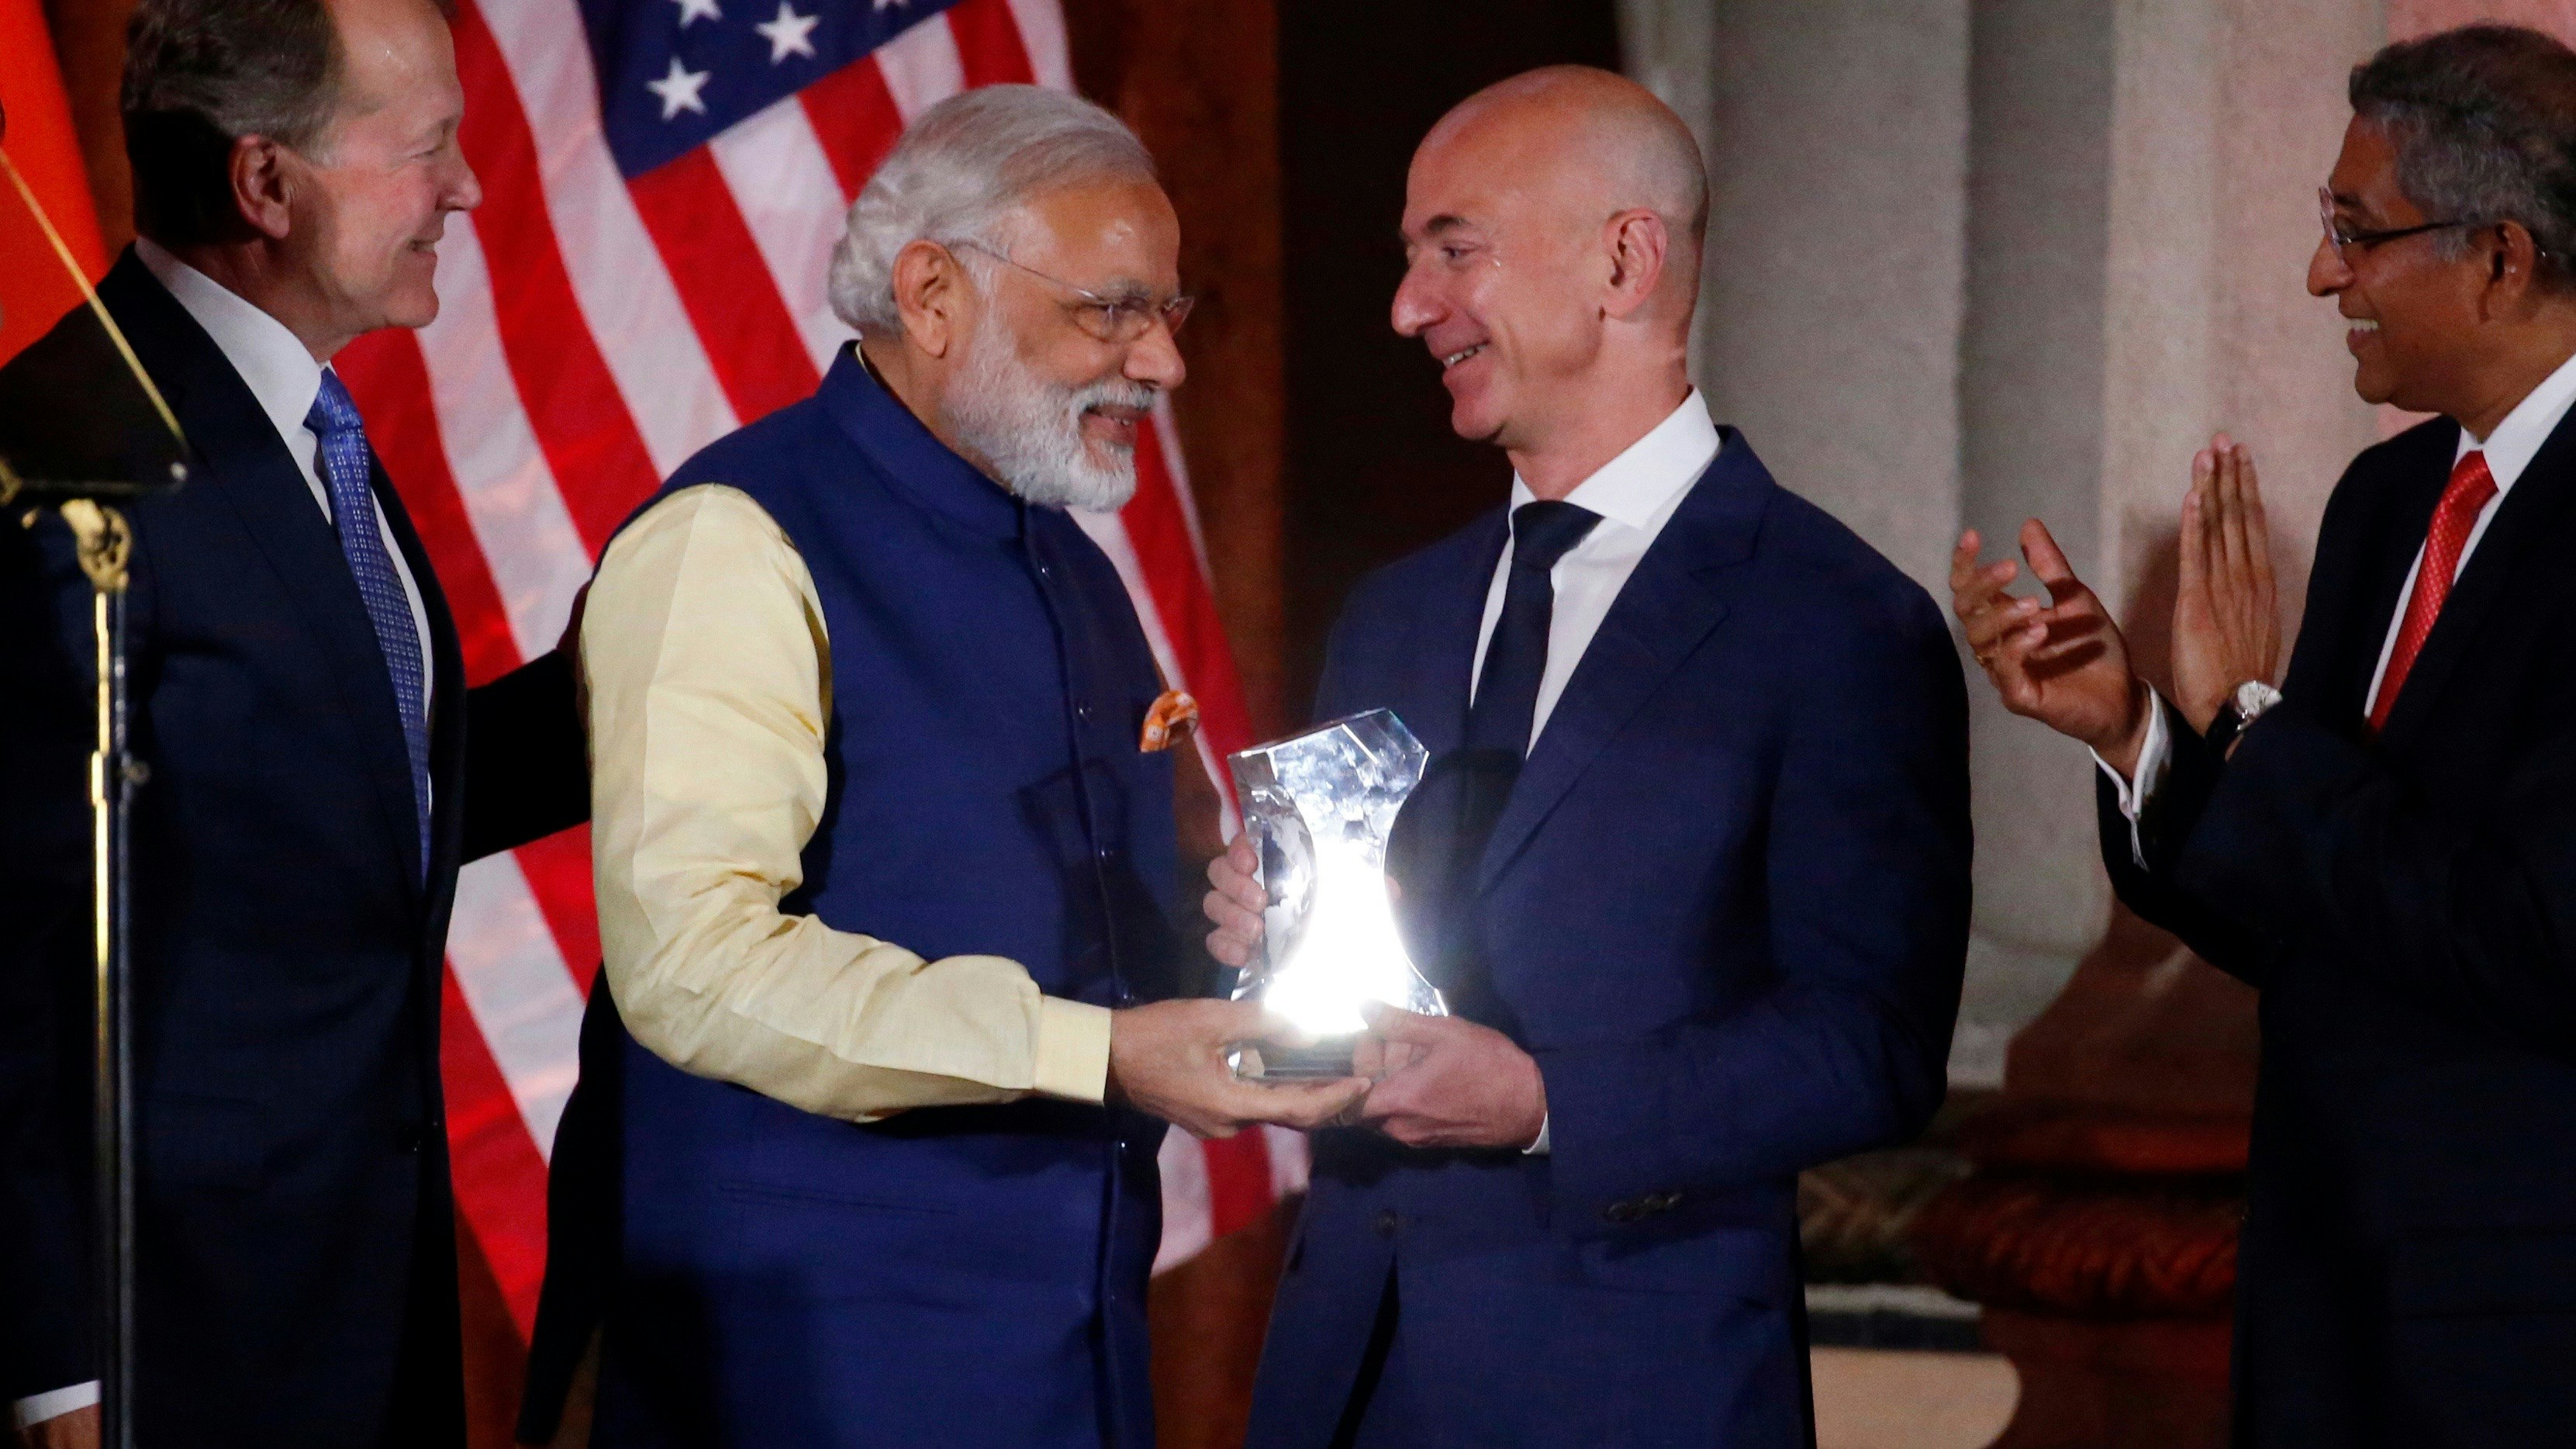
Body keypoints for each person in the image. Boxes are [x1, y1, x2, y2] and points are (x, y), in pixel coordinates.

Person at [536, 85, 1362, 1449]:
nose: (1160, 363)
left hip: (1068, 1347)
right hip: (808, 1372)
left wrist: (1234, 934)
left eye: (1169, 311)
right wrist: (1097, 1051)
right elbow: (693, 968)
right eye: (1111, 308)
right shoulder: (735, 539)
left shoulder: (1070, 562)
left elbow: (1096, 924)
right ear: (931, 294)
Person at [1204, 67, 1970, 1447]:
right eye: (1405, 260)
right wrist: (1265, 933)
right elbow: (1358, 973)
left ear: (1623, 260)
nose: (1407, 307)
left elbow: (1869, 1045)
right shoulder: (1394, 612)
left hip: (1632, 1384)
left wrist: (1547, 1105)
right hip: (1347, 1377)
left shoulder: (1835, 620)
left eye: (1453, 250)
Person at [1950, 23, 2576, 1444]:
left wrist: (2255, 722)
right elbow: (2313, 911)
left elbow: (2531, 938)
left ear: (2501, 256)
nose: (2320, 278)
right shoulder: (2387, 500)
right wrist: (2142, 739)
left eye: (2356, 235)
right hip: (2324, 1305)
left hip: (2522, 1342)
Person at [0, 0, 589, 1444]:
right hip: (165, 1360)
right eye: (429, 148)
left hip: (359, 1305)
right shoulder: (65, 470)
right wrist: (57, 1365)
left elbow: (341, 796)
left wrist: (609, 696)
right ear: (267, 184)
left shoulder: (299, 421)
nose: (464, 189)